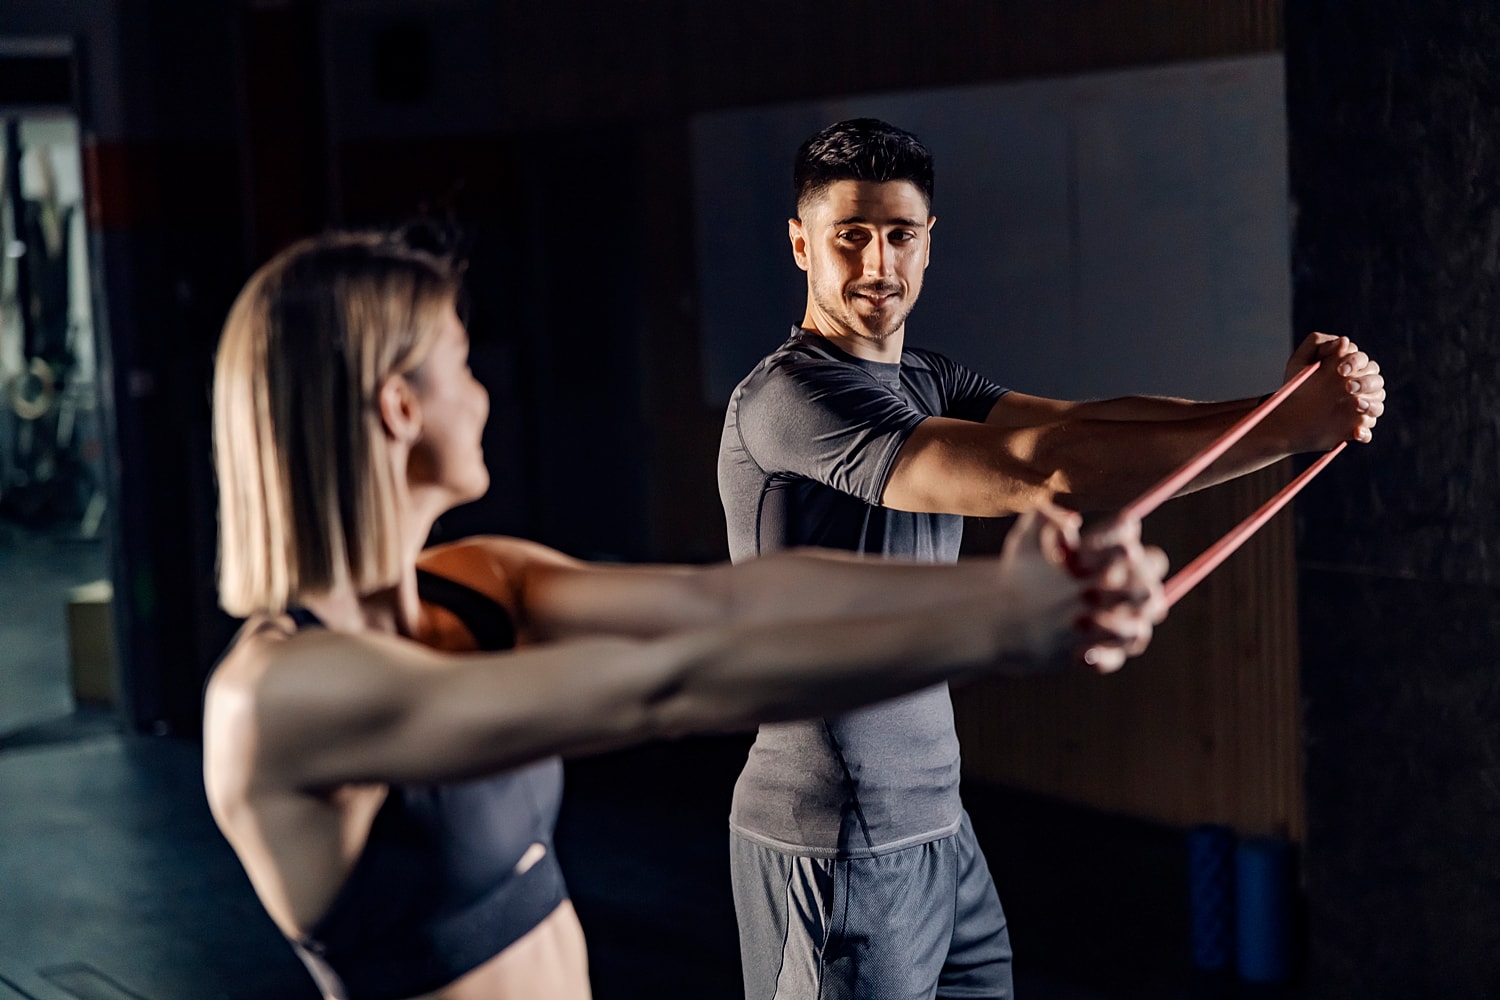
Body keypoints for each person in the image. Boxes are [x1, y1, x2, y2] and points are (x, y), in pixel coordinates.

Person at [202, 230, 1168, 1000]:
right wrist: (1003, 630)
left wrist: (1018, 588)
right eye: (462, 363)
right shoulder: (280, 697)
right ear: (397, 408)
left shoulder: (473, 581)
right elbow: (662, 686)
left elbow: (730, 599)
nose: (484, 391)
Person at [717, 117, 1387, 1000]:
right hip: (834, 837)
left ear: (928, 244)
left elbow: (1089, 422)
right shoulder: (789, 398)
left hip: (934, 820)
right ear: (802, 244)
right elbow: (1040, 471)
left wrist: (1279, 406)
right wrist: (1293, 431)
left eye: (899, 236)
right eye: (851, 237)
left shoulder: (924, 376)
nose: (878, 264)